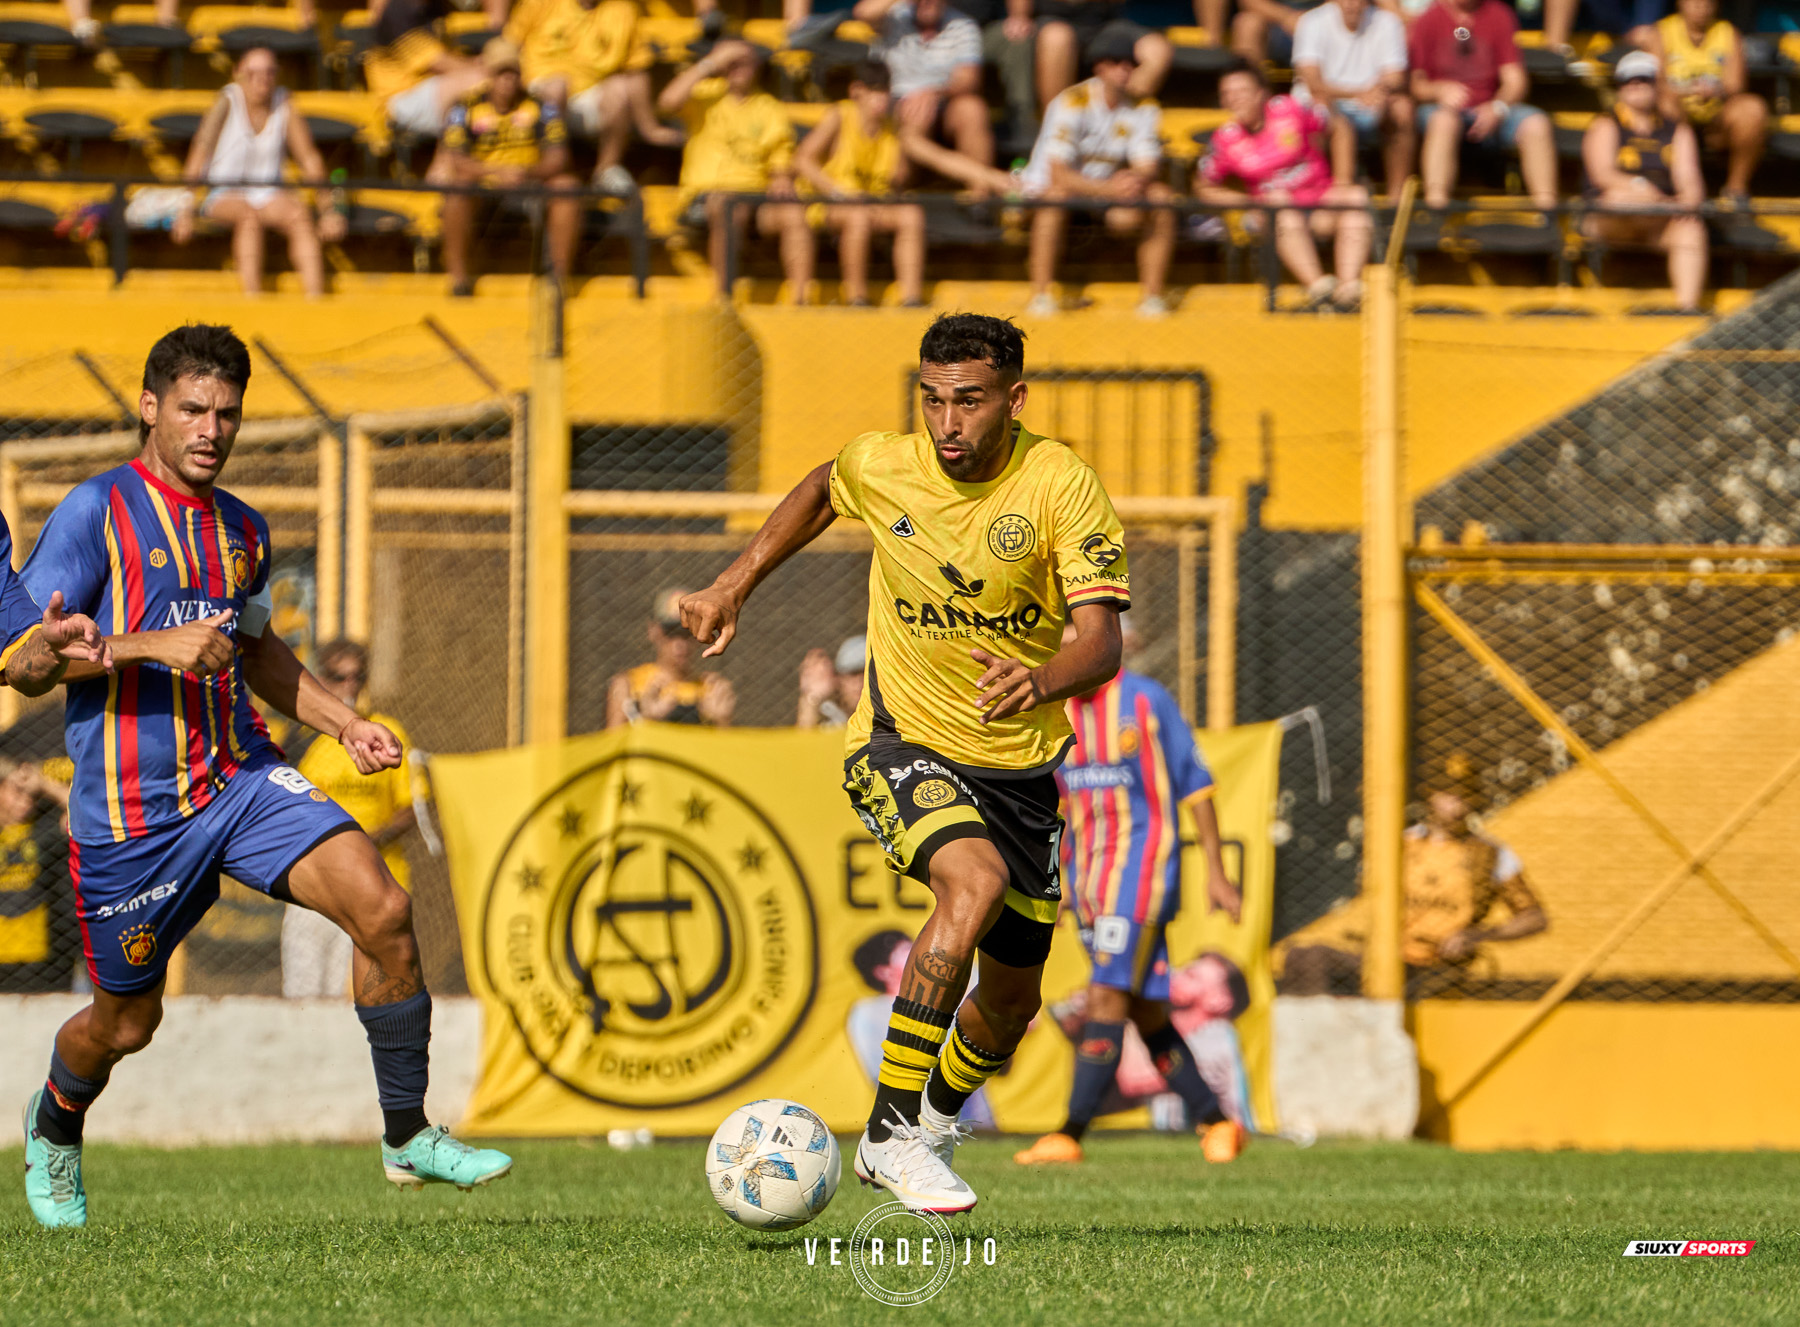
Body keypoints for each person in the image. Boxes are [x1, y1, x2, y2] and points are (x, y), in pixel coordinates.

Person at [12, 325, 509, 1231]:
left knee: (385, 909)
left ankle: (406, 1134)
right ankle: (53, 1123)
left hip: (239, 780)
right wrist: (142, 644)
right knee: (125, 1024)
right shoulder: (93, 513)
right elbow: (26, 663)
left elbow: (257, 653)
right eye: (194, 410)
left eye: (229, 412)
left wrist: (346, 720)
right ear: (150, 408)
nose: (212, 429)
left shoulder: (244, 528)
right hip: (131, 821)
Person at [680, 313, 1131, 1213]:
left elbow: (1102, 643)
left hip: (1023, 766)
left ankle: (927, 1120)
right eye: (931, 400)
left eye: (967, 402)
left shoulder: (1059, 484)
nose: (947, 422)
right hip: (901, 739)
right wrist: (735, 580)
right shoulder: (885, 463)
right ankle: (888, 1135)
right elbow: (821, 485)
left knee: (1009, 1006)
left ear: (1014, 399)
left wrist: (1040, 677)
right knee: (972, 885)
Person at [1013, 634, 1245, 1167]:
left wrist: (1216, 870)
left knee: (1105, 998)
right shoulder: (1060, 712)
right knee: (1145, 1012)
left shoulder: (1145, 700)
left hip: (1141, 876)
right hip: (1091, 882)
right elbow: (1060, 806)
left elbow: (1197, 785)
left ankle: (1068, 1133)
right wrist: (1062, 879)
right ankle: (1218, 1123)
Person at [1278, 760, 1548, 995]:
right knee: (1304, 958)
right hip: (1384, 957)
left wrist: (1478, 935)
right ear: (1430, 796)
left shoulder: (1490, 854)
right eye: (1448, 796)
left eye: (1464, 796)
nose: (1456, 806)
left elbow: (1534, 917)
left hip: (1436, 966)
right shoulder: (1400, 845)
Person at [284, 639, 427, 1001]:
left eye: (357, 677)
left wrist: (367, 840)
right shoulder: (303, 739)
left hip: (374, 880)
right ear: (319, 678)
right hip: (314, 885)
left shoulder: (386, 732)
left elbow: (415, 805)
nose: (349, 686)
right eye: (338, 676)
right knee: (302, 992)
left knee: (350, 995)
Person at [1022, 31, 1175, 319]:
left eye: (1131, 62)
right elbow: (1058, 176)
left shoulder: (1144, 106)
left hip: (1102, 193)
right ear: (1099, 67)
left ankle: (1153, 298)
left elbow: (1147, 164)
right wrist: (1112, 189)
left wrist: (1136, 180)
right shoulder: (1072, 101)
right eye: (1117, 61)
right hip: (1055, 191)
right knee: (1055, 198)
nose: (1126, 68)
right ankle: (1041, 296)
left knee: (1161, 197)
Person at [172, 48, 346, 300]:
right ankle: (253, 298)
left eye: (269, 72)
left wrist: (329, 208)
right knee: (248, 216)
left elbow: (308, 157)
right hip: (223, 192)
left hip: (267, 192)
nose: (262, 79)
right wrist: (185, 207)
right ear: (238, 74)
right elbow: (200, 154)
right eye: (253, 73)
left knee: (300, 215)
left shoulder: (284, 103)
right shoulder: (226, 101)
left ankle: (315, 298)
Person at [1197, 61, 1373, 310]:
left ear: (1261, 93)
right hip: (1277, 218)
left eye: (1241, 92)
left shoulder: (1289, 109)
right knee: (1278, 202)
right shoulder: (1225, 139)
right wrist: (1249, 203)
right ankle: (1319, 288)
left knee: (1355, 196)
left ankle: (1349, 289)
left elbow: (1340, 127)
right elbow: (1204, 188)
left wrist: (1342, 180)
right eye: (1227, 94)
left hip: (1320, 206)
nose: (1234, 99)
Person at [661, 41, 812, 303]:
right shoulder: (704, 96)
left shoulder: (769, 107)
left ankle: (801, 300)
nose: (739, 69)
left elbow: (781, 150)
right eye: (732, 63)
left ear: (757, 67)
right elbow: (667, 102)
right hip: (709, 193)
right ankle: (723, 297)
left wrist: (781, 176)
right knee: (731, 206)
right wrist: (710, 63)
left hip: (756, 195)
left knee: (794, 212)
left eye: (745, 62)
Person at [439, 39, 582, 297]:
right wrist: (493, 173)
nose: (507, 80)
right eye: (500, 73)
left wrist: (526, 172)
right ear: (488, 75)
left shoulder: (542, 106)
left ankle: (559, 280)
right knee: (457, 187)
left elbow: (558, 157)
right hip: (483, 183)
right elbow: (457, 159)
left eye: (512, 72)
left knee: (567, 186)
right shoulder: (465, 106)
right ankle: (458, 279)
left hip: (529, 179)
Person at [504, 0, 683, 195]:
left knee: (620, 88)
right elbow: (508, 46)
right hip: (537, 89)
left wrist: (650, 127)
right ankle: (545, 169)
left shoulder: (622, 10)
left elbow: (635, 69)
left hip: (589, 94)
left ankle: (607, 169)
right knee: (557, 88)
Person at [790, 63, 930, 308]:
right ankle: (857, 297)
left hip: (873, 202)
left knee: (911, 215)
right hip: (830, 202)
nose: (881, 99)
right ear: (857, 91)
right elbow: (803, 159)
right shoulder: (840, 115)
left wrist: (915, 130)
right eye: (874, 91)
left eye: (885, 92)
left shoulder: (891, 127)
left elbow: (901, 177)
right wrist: (835, 191)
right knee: (858, 216)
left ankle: (911, 297)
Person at [1582, 51, 1708, 312]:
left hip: (1659, 220)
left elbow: (1690, 180)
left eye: (1645, 79)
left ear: (1657, 85)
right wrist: (1643, 190)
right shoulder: (1606, 125)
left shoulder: (1677, 130)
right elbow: (1602, 175)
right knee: (1619, 199)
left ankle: (1687, 309)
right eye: (1629, 80)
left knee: (1691, 227)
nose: (1637, 85)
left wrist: (1687, 201)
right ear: (1619, 87)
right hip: (1612, 220)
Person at [1410, 0, 1558, 215]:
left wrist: (1497, 107)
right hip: (1441, 111)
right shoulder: (1428, 18)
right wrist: (1439, 91)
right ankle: (1436, 209)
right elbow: (1416, 85)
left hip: (1489, 107)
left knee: (1536, 123)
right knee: (1444, 121)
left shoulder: (1499, 15)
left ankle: (1548, 213)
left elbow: (1515, 80)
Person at [858, 0, 1000, 190]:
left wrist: (933, 93)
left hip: (943, 104)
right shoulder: (893, 17)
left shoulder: (962, 25)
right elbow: (863, 12)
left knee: (972, 108)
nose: (926, 2)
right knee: (916, 113)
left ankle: (981, 195)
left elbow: (969, 79)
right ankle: (899, 186)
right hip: (896, 105)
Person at [1635, 0, 1768, 201]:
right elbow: (1654, 82)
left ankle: (1736, 188)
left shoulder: (1728, 32)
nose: (1701, 7)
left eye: (1708, 3)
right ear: (1681, 3)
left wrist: (1715, 90)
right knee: (1665, 103)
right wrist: (1688, 90)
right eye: (1695, 2)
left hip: (1717, 117)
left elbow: (1736, 85)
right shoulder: (1662, 32)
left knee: (1753, 110)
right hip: (1677, 115)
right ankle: (1679, 187)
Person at [1292, 0, 1415, 198]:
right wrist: (1358, 94)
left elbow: (1395, 76)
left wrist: (1379, 91)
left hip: (1368, 103)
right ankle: (1338, 193)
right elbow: (1313, 84)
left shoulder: (1388, 22)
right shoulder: (1311, 21)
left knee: (1402, 108)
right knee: (1332, 118)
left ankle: (1396, 200)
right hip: (1325, 104)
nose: (1351, 4)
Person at [0, 759, 79, 996]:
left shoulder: (43, 831)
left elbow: (81, 810)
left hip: (40, 961)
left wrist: (43, 784)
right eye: (17, 793)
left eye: (31, 796)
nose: (26, 801)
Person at [606, 587, 736, 728]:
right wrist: (646, 721)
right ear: (654, 631)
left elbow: (723, 748)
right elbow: (615, 745)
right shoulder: (629, 685)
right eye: (671, 632)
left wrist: (722, 722)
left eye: (688, 632)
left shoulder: (710, 691)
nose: (680, 644)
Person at [365, 0, 493, 142]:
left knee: (496, 81)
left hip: (432, 88)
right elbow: (436, 63)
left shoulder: (434, 7)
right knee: (480, 80)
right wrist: (483, 67)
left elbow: (449, 57)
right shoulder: (397, 11)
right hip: (400, 100)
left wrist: (479, 64)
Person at [1033, 0, 1173, 110]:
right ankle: (1057, 130)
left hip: (1106, 24)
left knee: (1158, 50)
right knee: (1057, 38)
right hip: (1053, 20)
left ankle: (1120, 122)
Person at [797, 633, 868, 727]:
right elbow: (803, 739)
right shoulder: (832, 719)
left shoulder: (890, 717)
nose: (860, 682)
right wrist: (811, 699)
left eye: (867, 673)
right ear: (839, 679)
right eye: (853, 674)